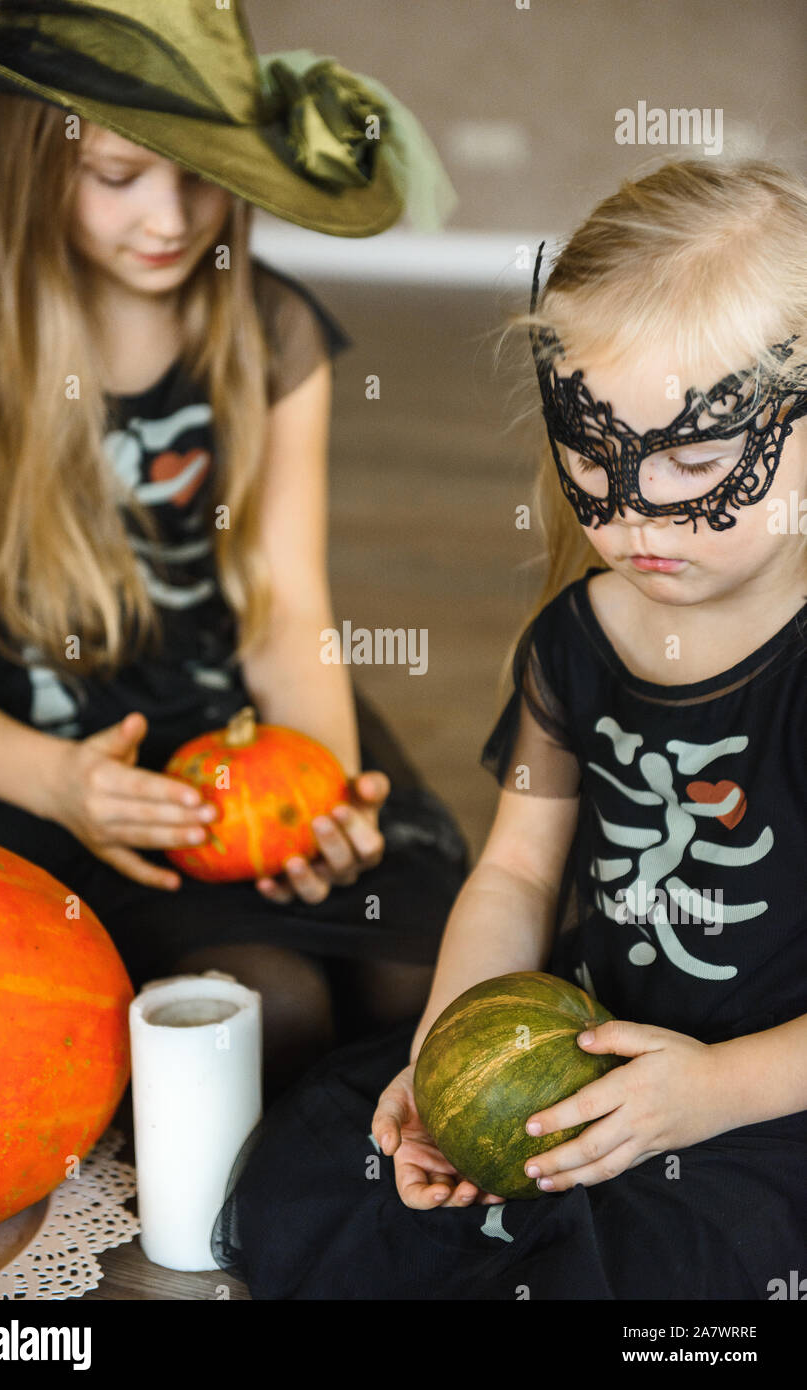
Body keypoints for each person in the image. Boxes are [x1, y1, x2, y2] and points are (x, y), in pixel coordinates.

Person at [217, 159, 807, 1298]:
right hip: (585, 1046)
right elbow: (515, 878)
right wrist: (452, 1070)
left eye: (692, 460)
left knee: (678, 1269)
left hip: (772, 1089)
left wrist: (715, 1090)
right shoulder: (578, 640)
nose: (632, 514)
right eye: (593, 455)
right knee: (348, 1173)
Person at [0, 0, 467, 1100]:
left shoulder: (272, 331)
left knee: (413, 976)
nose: (171, 216)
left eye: (200, 173)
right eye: (121, 175)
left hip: (225, 715)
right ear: (37, 164)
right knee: (268, 1005)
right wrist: (60, 782)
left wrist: (319, 793)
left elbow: (282, 607)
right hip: (41, 749)